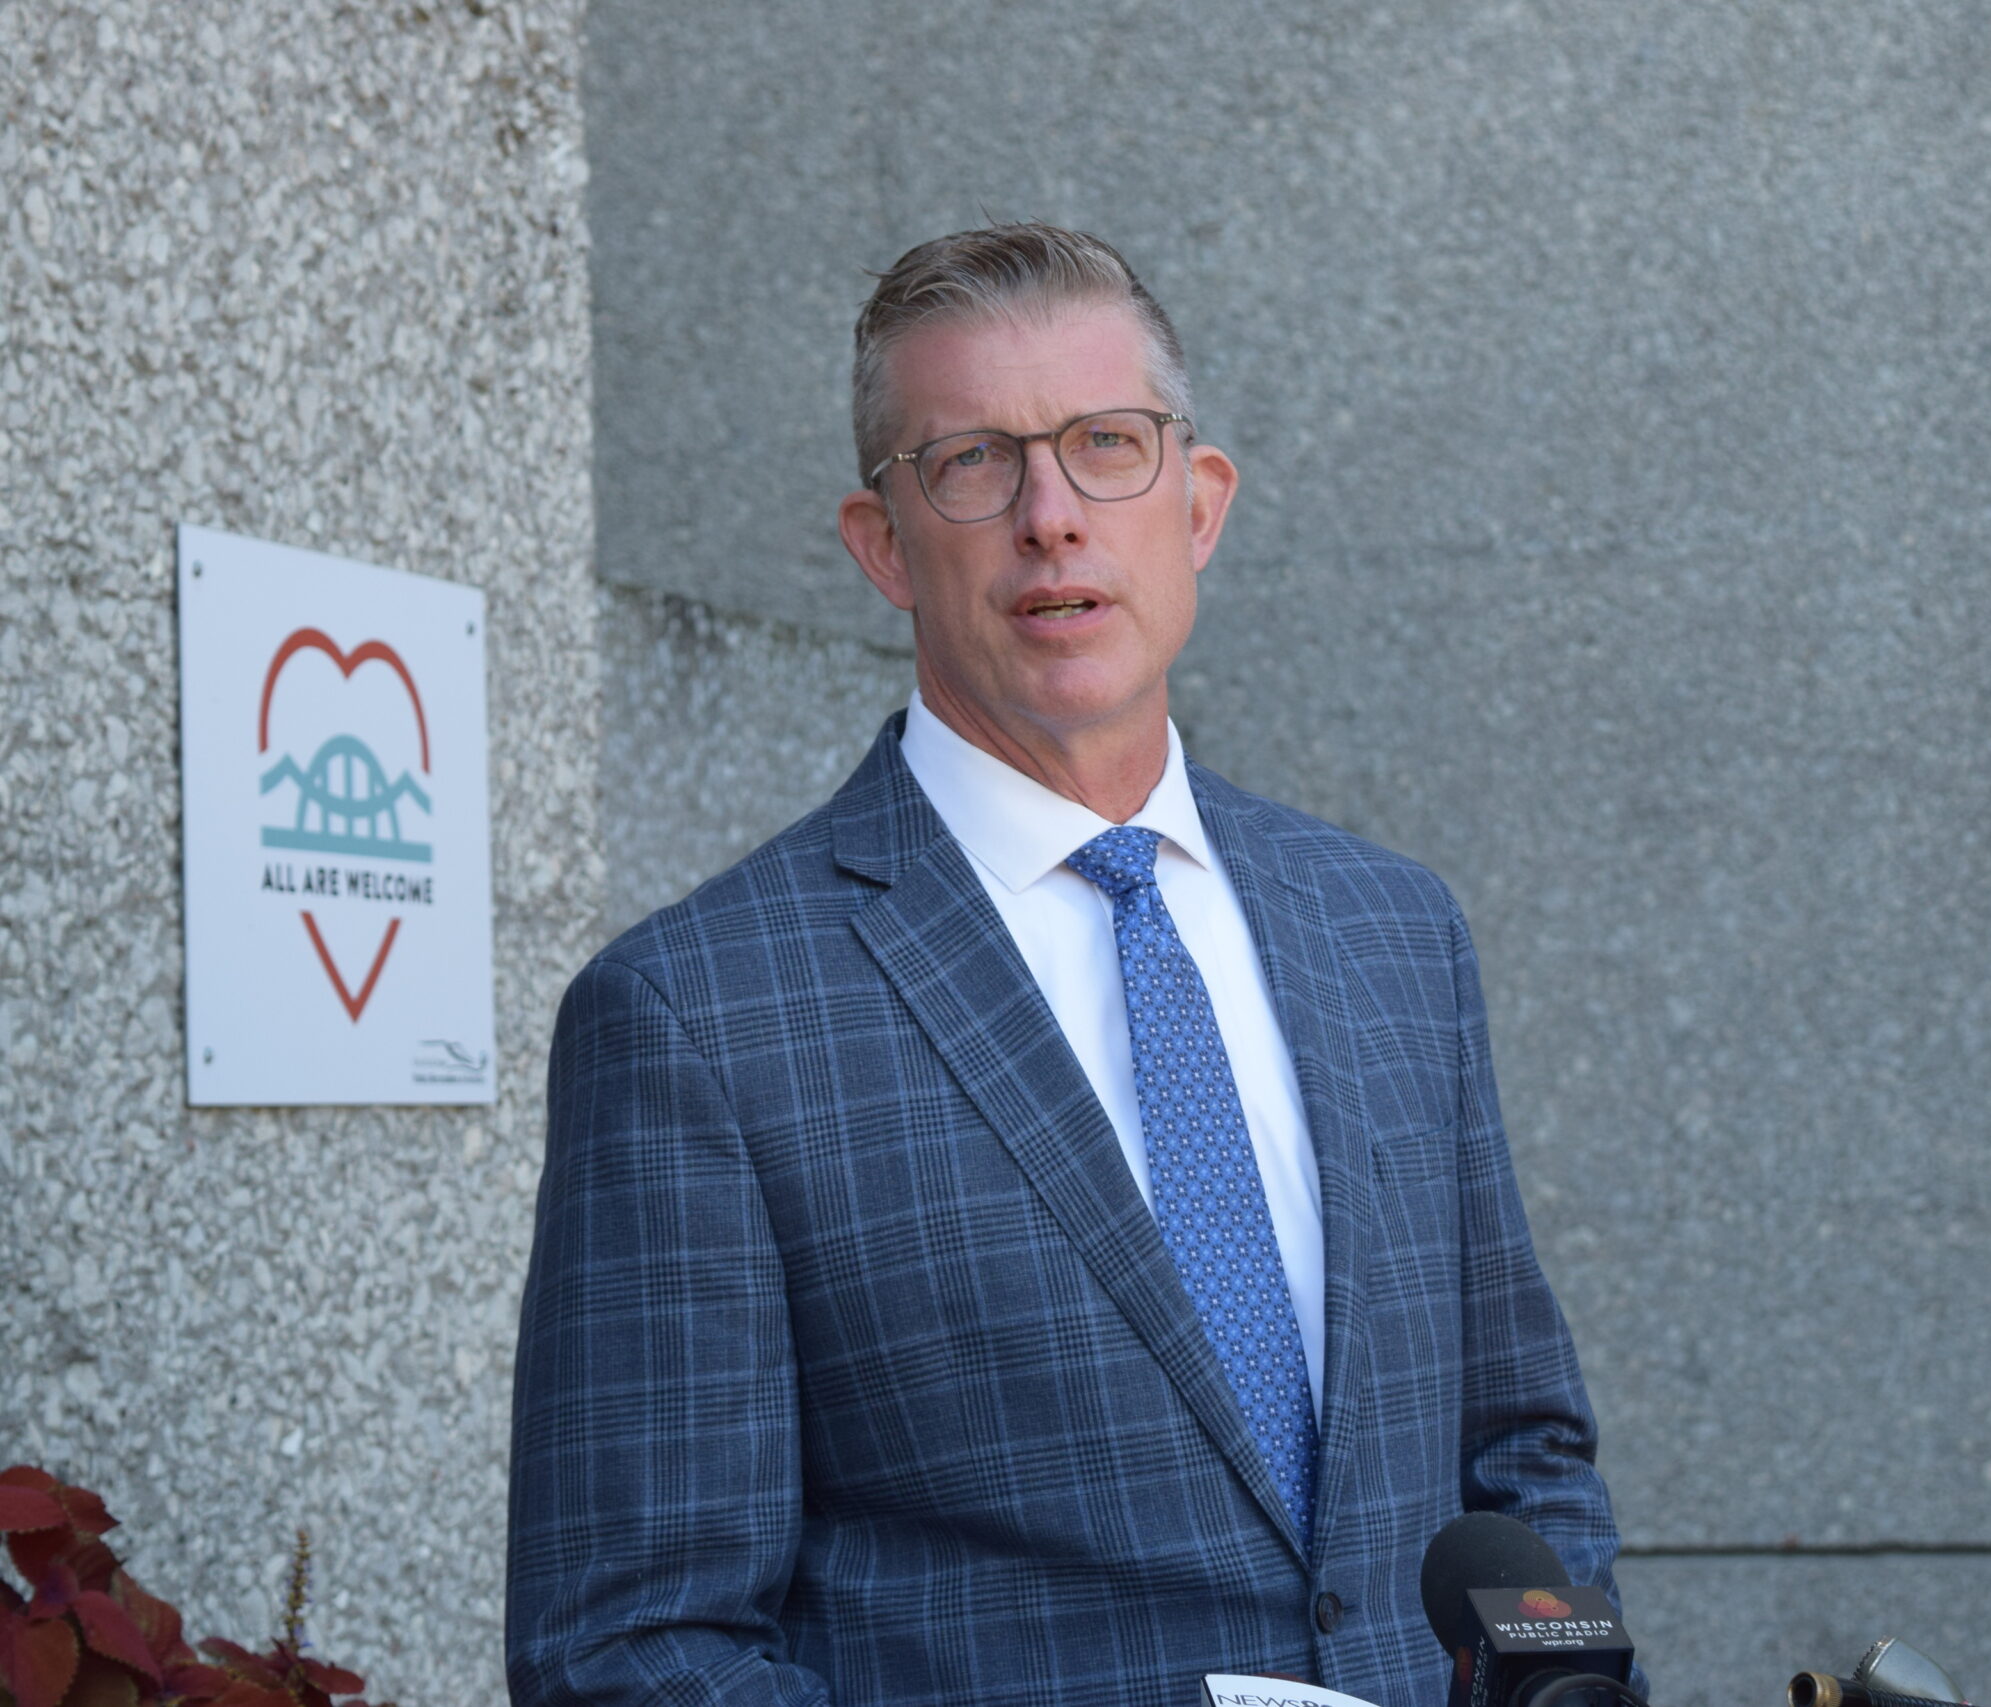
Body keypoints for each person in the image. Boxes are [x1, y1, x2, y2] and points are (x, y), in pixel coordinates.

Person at [506, 223, 1626, 1707]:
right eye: (972, 461)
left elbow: (1520, 1451)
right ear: (881, 544)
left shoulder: (1392, 931)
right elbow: (631, 1656)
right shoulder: (701, 1016)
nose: (1052, 515)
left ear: (1200, 502)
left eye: (1107, 444)